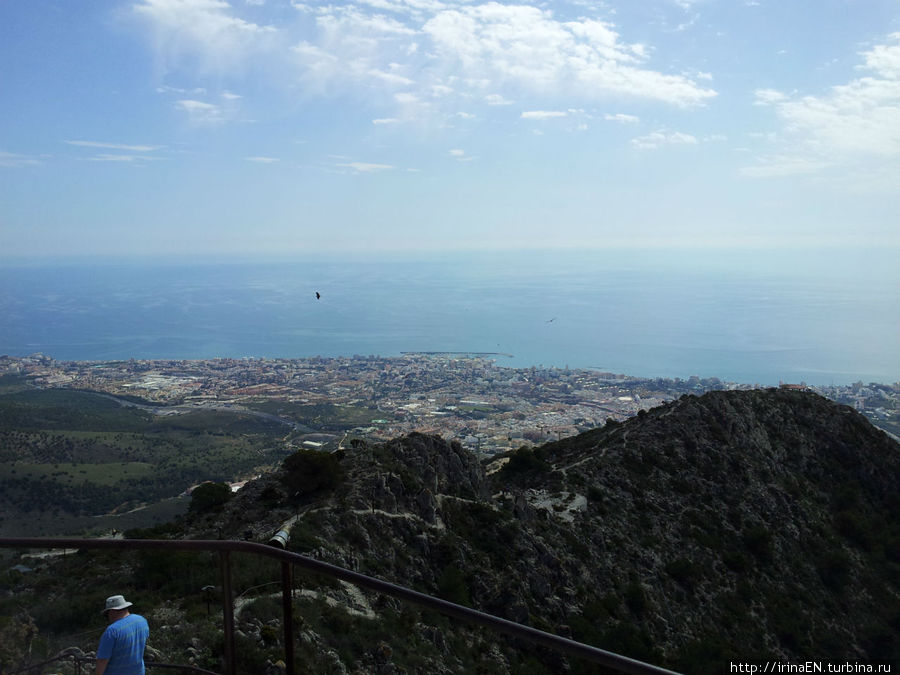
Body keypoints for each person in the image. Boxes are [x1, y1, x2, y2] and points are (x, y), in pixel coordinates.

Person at [96, 595, 149, 675]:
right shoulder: (142, 620)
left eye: (107, 614)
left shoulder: (111, 631)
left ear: (112, 611)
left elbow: (102, 661)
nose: (108, 617)